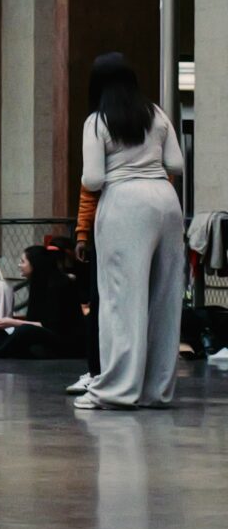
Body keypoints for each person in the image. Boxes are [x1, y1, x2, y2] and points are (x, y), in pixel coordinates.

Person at [74, 53, 186, 409]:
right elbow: (176, 164)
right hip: (166, 201)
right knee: (164, 299)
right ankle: (156, 390)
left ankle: (117, 390)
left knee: (121, 302)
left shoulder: (97, 121)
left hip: (124, 203)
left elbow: (93, 179)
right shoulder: (157, 114)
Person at [0, 247, 88, 361]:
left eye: (23, 262)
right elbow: (33, 320)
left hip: (64, 342)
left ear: (34, 263)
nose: (19, 265)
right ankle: (13, 351)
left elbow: (52, 326)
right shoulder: (37, 283)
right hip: (41, 340)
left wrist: (13, 322)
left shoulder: (59, 284)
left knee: (25, 330)